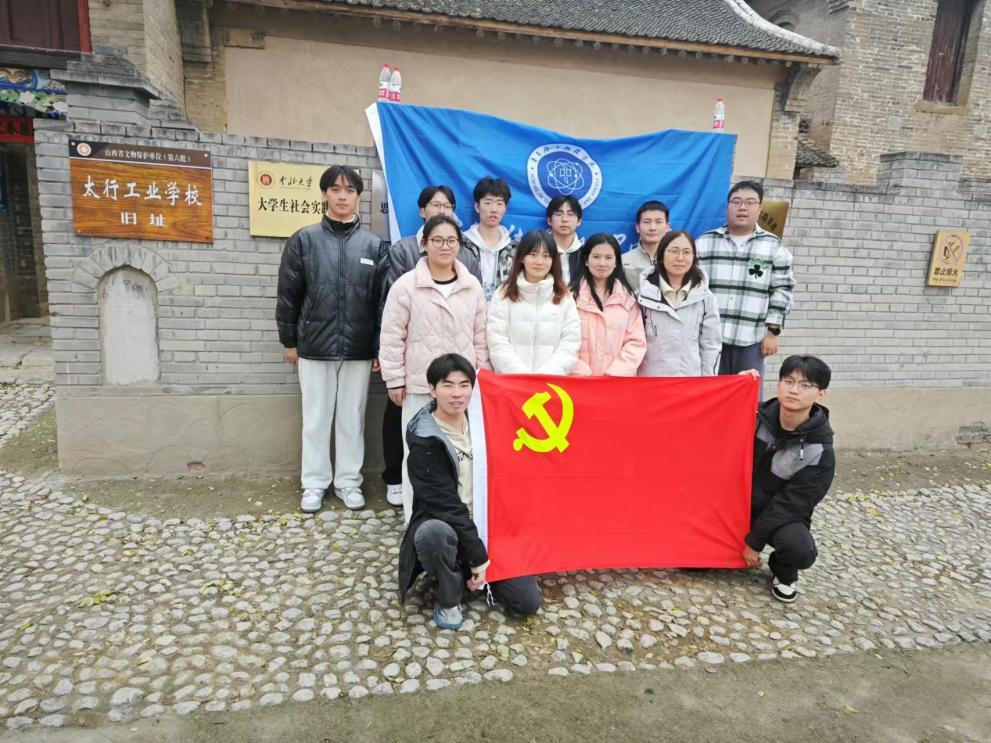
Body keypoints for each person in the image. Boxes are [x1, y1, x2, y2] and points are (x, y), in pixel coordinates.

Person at [398, 354, 542, 629]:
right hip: (450, 526)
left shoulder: (483, 424)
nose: (457, 394)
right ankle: (449, 593)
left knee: (527, 603)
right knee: (432, 534)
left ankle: (479, 575)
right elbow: (447, 508)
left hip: (490, 527)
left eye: (464, 385)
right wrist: (479, 558)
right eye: (448, 385)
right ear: (432, 389)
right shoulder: (425, 441)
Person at [277, 165, 389, 513]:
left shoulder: (373, 245)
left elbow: (382, 302)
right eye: (336, 190)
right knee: (315, 418)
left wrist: (378, 347)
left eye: (350, 190)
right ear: (325, 194)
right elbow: (288, 295)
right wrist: (289, 341)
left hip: (358, 349)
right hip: (314, 347)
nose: (343, 196)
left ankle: (348, 482)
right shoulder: (304, 240)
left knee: (351, 419)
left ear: (359, 196)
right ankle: (314, 483)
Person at [379, 215, 489, 524]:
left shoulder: (472, 286)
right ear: (424, 244)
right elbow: (391, 336)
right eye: (437, 240)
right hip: (418, 384)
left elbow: (481, 337)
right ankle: (417, 521)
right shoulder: (406, 286)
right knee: (418, 453)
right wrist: (394, 379)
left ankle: (461, 517)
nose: (445, 246)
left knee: (462, 452)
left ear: (460, 245)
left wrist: (481, 378)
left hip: (460, 388)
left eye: (451, 240)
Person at [741, 355, 835, 603]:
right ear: (778, 384)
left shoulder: (819, 451)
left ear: (821, 394)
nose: (794, 390)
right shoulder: (755, 416)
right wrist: (735, 387)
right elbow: (714, 415)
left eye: (805, 385)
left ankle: (783, 572)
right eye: (789, 381)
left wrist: (755, 542)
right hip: (737, 504)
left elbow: (792, 505)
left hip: (778, 514)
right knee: (694, 564)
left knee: (799, 550)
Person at [696, 180, 795, 391]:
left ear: (759, 208)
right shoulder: (704, 242)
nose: (742, 207)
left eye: (750, 202)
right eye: (736, 202)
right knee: (711, 395)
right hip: (709, 339)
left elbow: (782, 289)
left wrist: (773, 332)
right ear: (727, 207)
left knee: (748, 398)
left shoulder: (772, 246)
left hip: (751, 340)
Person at [487, 230, 581, 375]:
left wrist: (544, 377)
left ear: (553, 260)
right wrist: (523, 378)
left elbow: (570, 342)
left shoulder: (564, 297)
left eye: (546, 256)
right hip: (512, 382)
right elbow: (497, 341)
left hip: (551, 383)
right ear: (522, 257)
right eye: (533, 254)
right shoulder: (503, 294)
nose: (539, 262)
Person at [637, 231, 722, 377]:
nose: (680, 258)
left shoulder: (705, 298)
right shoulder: (643, 295)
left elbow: (711, 345)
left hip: (689, 379)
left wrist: (707, 382)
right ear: (661, 255)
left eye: (687, 252)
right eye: (674, 251)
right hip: (651, 380)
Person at [570, 233, 646, 376]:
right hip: (578, 380)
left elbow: (636, 342)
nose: (602, 263)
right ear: (586, 260)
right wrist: (581, 371)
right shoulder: (570, 297)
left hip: (616, 382)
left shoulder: (627, 300)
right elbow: (561, 340)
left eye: (608, 257)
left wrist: (616, 372)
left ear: (616, 262)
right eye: (596, 257)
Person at [461, 177, 517, 302]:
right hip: (469, 308)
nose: (494, 209)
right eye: (488, 203)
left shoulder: (514, 249)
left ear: (505, 208)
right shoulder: (462, 244)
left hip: (502, 311)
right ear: (477, 206)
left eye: (499, 203)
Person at [622, 200, 670, 289]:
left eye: (658, 222)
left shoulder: (676, 260)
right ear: (637, 228)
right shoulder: (623, 261)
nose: (652, 228)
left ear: (667, 227)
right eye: (647, 222)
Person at [545, 195, 584, 286]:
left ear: (579, 221)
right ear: (549, 220)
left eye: (570, 214)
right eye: (558, 214)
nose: (564, 219)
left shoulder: (586, 254)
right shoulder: (538, 251)